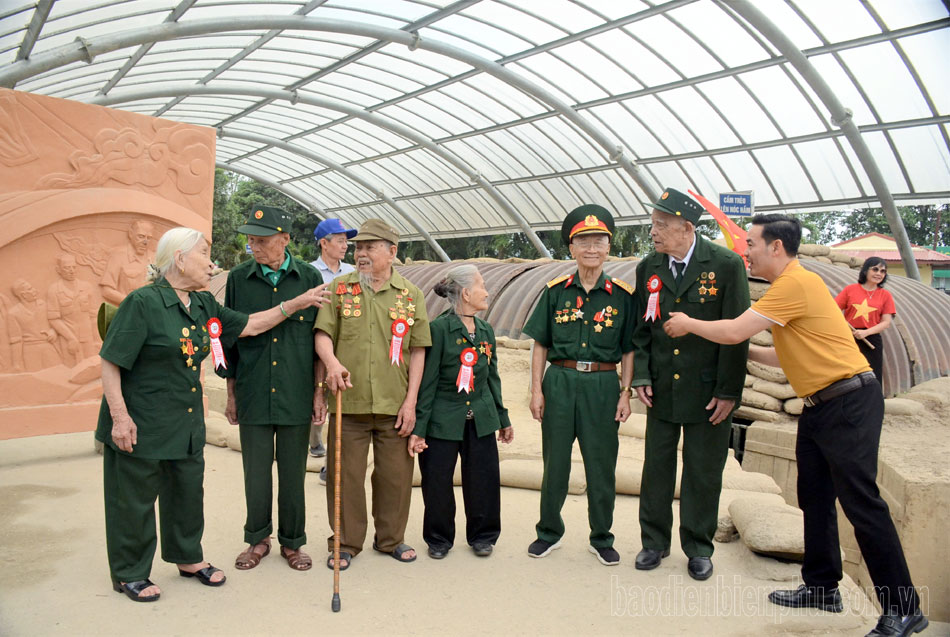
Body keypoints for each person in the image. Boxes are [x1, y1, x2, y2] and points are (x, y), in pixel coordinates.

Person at [664, 214, 926, 637]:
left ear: (776, 248)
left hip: (849, 402)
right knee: (815, 496)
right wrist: (741, 354)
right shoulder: (790, 288)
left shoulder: (794, 285)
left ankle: (903, 607)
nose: (745, 251)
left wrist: (691, 325)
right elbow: (779, 358)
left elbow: (734, 331)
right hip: (820, 405)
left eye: (750, 243)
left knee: (862, 503)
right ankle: (822, 586)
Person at [96, 227, 329, 603]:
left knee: (186, 492)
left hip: (185, 419)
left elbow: (250, 325)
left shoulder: (202, 303)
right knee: (134, 499)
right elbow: (110, 361)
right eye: (204, 254)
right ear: (180, 259)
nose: (212, 261)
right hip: (143, 418)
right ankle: (130, 573)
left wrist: (294, 304)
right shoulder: (142, 303)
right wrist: (120, 417)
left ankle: (188, 558)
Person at [631, 187, 750, 582]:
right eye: (653, 224)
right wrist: (642, 376)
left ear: (686, 228)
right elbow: (642, 330)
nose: (654, 232)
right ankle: (654, 542)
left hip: (707, 389)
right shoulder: (649, 266)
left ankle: (698, 547)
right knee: (657, 467)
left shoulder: (725, 265)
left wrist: (729, 391)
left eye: (661, 226)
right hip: (663, 386)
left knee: (703, 470)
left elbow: (737, 331)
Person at [522, 204, 636, 566]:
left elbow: (630, 349)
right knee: (555, 462)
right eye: (583, 241)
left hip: (603, 384)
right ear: (571, 248)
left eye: (599, 240)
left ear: (608, 247)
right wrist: (536, 389)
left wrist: (625, 392)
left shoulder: (622, 296)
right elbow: (540, 343)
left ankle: (602, 537)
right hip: (560, 381)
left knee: (601, 465)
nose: (592, 248)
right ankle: (548, 533)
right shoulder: (555, 292)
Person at [315, 218, 431, 570]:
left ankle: (391, 539)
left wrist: (411, 402)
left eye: (370, 247)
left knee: (395, 477)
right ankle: (346, 542)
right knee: (344, 476)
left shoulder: (411, 295)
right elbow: (322, 334)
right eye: (358, 248)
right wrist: (332, 363)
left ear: (392, 252)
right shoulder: (339, 288)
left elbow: (418, 350)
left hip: (393, 403)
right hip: (347, 402)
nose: (361, 254)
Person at [220, 206, 327, 572]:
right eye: (250, 240)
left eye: (262, 241)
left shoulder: (310, 277)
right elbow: (231, 338)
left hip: (297, 391)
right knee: (256, 471)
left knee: (294, 472)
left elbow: (318, 339)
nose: (254, 247)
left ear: (284, 239)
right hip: (252, 390)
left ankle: (293, 542)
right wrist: (232, 394)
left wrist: (318, 392)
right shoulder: (238, 279)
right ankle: (257, 539)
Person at [409, 264, 513, 559]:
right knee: (437, 481)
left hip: (480, 418)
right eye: (482, 286)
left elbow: (492, 378)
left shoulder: (485, 330)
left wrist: (502, 419)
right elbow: (427, 383)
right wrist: (419, 429)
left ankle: (483, 536)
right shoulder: (438, 330)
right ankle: (439, 539)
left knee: (484, 478)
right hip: (443, 419)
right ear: (466, 293)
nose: (487, 292)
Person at [309, 218, 357, 467]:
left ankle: (333, 462)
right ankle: (315, 441)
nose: (345, 246)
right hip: (313, 342)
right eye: (340, 241)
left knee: (340, 399)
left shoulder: (352, 273)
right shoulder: (310, 273)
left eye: (346, 241)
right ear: (323, 243)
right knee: (315, 395)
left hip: (343, 343)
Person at [834, 257, 896, 386]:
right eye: (875, 269)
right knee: (848, 373)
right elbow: (833, 310)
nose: (879, 273)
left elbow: (886, 322)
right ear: (865, 271)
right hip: (849, 337)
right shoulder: (850, 290)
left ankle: (874, 403)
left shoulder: (885, 295)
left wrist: (866, 333)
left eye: (882, 271)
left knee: (872, 374)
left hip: (871, 339)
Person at [48, 253, 98, 366]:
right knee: (71, 371)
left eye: (74, 267)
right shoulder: (54, 290)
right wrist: (71, 338)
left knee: (91, 367)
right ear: (59, 270)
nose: (71, 271)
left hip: (88, 338)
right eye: (67, 268)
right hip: (67, 338)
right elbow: (54, 319)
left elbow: (94, 315)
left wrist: (98, 340)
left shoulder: (87, 287)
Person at [8, 278, 59, 371]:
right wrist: (16, 364)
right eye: (30, 289)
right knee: (37, 379)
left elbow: (55, 322)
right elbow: (16, 340)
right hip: (30, 350)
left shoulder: (43, 305)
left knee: (58, 373)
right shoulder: (13, 313)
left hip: (48, 346)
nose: (35, 290)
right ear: (23, 294)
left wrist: (53, 332)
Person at [100, 220, 155, 306]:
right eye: (141, 236)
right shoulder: (118, 256)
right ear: (130, 234)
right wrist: (133, 302)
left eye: (149, 238)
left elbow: (158, 289)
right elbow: (106, 291)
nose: (145, 242)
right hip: (125, 313)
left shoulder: (153, 258)